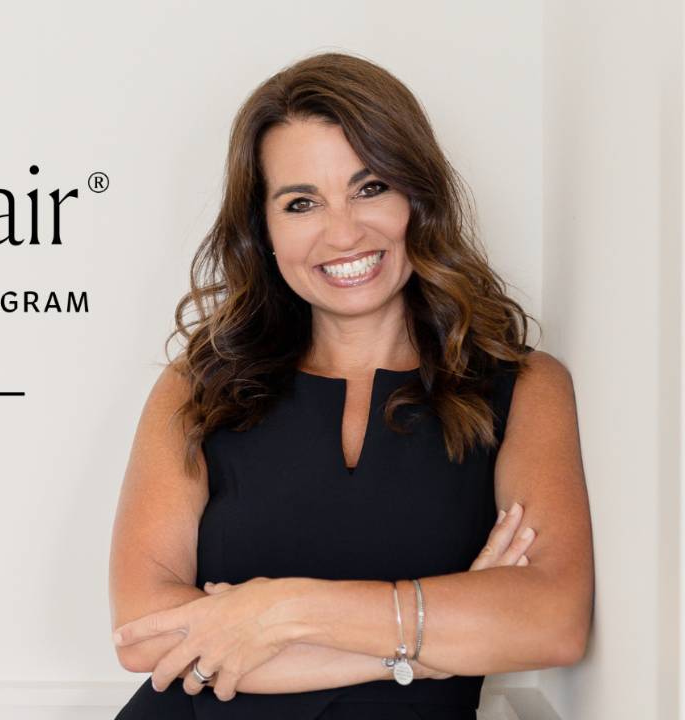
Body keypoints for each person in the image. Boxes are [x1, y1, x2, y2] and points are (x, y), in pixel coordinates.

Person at [107, 51, 594, 720]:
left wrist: (283, 609)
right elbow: (145, 635)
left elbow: (553, 621)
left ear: (418, 197)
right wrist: (425, 645)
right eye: (301, 203)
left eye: (371, 188)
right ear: (264, 230)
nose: (342, 232)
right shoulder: (196, 388)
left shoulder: (525, 388)